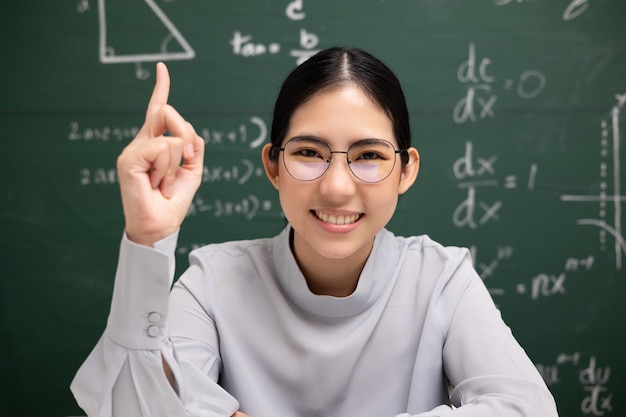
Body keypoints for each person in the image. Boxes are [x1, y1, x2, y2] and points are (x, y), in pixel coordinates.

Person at [71, 47, 559, 417]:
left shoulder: (442, 279)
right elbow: (131, 407)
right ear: (273, 165)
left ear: (406, 170)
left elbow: (526, 408)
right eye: (308, 152)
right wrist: (146, 239)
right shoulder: (213, 281)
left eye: (369, 156)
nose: (337, 186)